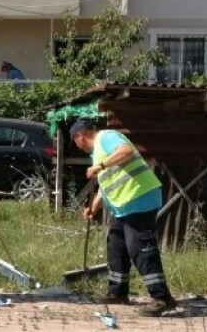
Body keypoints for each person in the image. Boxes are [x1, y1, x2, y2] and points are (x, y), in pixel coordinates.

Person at [70, 119, 178, 316]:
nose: (77, 147)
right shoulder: (98, 154)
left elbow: (126, 151)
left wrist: (100, 166)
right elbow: (105, 186)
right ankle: (117, 292)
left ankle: (162, 298)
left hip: (140, 197)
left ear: (80, 136)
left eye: (75, 142)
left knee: (140, 247)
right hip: (123, 206)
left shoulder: (107, 137)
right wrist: (92, 208)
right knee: (116, 244)